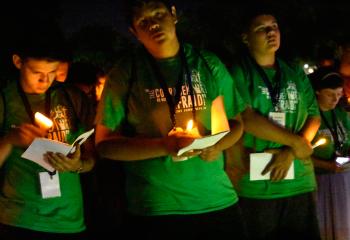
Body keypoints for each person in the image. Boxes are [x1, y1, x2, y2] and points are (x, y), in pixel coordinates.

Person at [95, 0, 247, 239]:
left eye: (158, 14)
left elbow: (236, 123)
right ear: (134, 32)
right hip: (157, 207)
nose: (153, 24)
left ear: (173, 14)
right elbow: (104, 145)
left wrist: (217, 145)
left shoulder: (207, 63)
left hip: (217, 199)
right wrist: (165, 146)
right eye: (143, 21)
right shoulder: (126, 72)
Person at [226, 8, 321, 240]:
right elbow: (245, 118)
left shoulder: (295, 71)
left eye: (274, 26)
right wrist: (296, 143)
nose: (271, 32)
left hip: (300, 180)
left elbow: (314, 116)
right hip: (257, 183)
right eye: (262, 28)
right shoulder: (238, 72)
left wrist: (291, 151)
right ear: (245, 37)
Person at [0, 23, 95, 239]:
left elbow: (92, 157)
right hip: (19, 218)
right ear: (18, 62)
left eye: (52, 72)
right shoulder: (5, 99)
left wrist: (78, 164)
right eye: (37, 72)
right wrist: (10, 139)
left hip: (70, 220)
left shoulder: (72, 98)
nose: (45, 80)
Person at [309, 67, 350, 240]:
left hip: (343, 178)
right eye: (330, 94)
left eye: (339, 94)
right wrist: (326, 165)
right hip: (319, 180)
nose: (335, 99)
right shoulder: (308, 117)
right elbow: (301, 152)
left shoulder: (341, 114)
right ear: (317, 92)